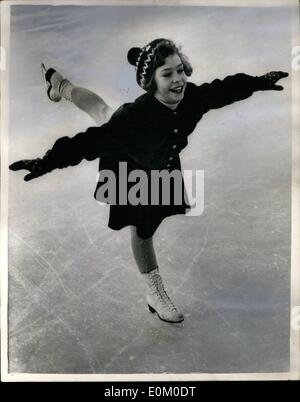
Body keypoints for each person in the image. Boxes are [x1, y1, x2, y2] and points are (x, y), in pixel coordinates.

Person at [9, 38, 288, 323]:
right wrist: (47, 161)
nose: (179, 80)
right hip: (129, 165)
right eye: (167, 74)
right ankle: (153, 292)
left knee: (102, 111)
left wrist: (257, 82)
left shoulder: (190, 97)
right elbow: (87, 143)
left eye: (180, 70)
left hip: (159, 159)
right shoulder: (134, 120)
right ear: (152, 82)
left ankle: (62, 86)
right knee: (143, 228)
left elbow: (222, 90)